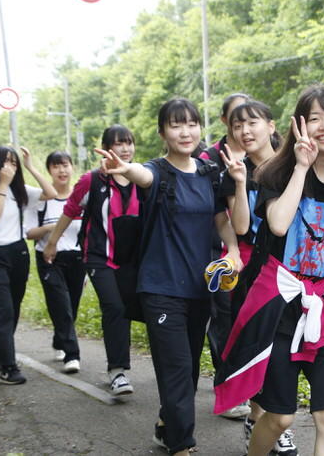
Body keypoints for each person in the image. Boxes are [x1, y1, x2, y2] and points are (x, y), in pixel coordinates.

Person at [214, 85, 324, 456]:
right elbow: (280, 225)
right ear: (299, 123)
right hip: (279, 309)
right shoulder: (274, 171)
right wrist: (302, 166)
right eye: (315, 117)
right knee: (280, 416)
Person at [95, 98, 235, 456]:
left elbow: (220, 218)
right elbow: (142, 175)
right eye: (175, 125)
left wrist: (232, 250)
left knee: (187, 370)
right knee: (175, 369)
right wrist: (124, 167)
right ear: (162, 133)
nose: (185, 131)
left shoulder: (208, 173)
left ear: (200, 128)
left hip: (200, 288)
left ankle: (166, 425)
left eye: (191, 124)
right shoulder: (156, 171)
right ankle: (181, 445)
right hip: (161, 289)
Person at [218, 100, 297, 455]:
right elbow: (241, 226)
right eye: (237, 126)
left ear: (270, 124)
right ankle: (259, 416)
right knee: (258, 347)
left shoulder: (296, 162)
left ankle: (268, 417)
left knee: (287, 349)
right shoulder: (233, 171)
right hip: (254, 272)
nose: (245, 131)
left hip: (295, 270)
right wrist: (238, 183)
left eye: (252, 122)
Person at [44, 125, 139, 396]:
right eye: (119, 143)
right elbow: (69, 210)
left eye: (129, 143)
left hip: (130, 260)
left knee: (132, 308)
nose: (125, 148)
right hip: (98, 257)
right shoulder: (92, 180)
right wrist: (52, 243)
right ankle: (117, 371)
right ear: (107, 147)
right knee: (114, 307)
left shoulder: (141, 177)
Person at [200, 92, 254, 421]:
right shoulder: (209, 159)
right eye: (237, 119)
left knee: (248, 321)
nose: (244, 127)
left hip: (256, 254)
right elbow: (213, 211)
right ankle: (227, 389)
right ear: (225, 122)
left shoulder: (265, 154)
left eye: (251, 120)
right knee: (223, 319)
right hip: (218, 251)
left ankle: (247, 388)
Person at [0, 145, 56, 384]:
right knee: (5, 311)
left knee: (14, 307)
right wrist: (1, 184)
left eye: (14, 163)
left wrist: (30, 167)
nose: (9, 167)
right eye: (5, 162)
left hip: (18, 253)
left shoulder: (20, 191)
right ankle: (9, 368)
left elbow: (50, 193)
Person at [27, 151, 84, 373]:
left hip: (77, 258)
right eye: (56, 166)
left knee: (72, 307)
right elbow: (30, 233)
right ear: (49, 170)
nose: (62, 170)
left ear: (72, 168)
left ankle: (60, 340)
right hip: (50, 258)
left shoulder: (80, 198)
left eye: (66, 165)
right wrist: (55, 227)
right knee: (61, 306)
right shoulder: (42, 201)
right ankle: (72, 355)